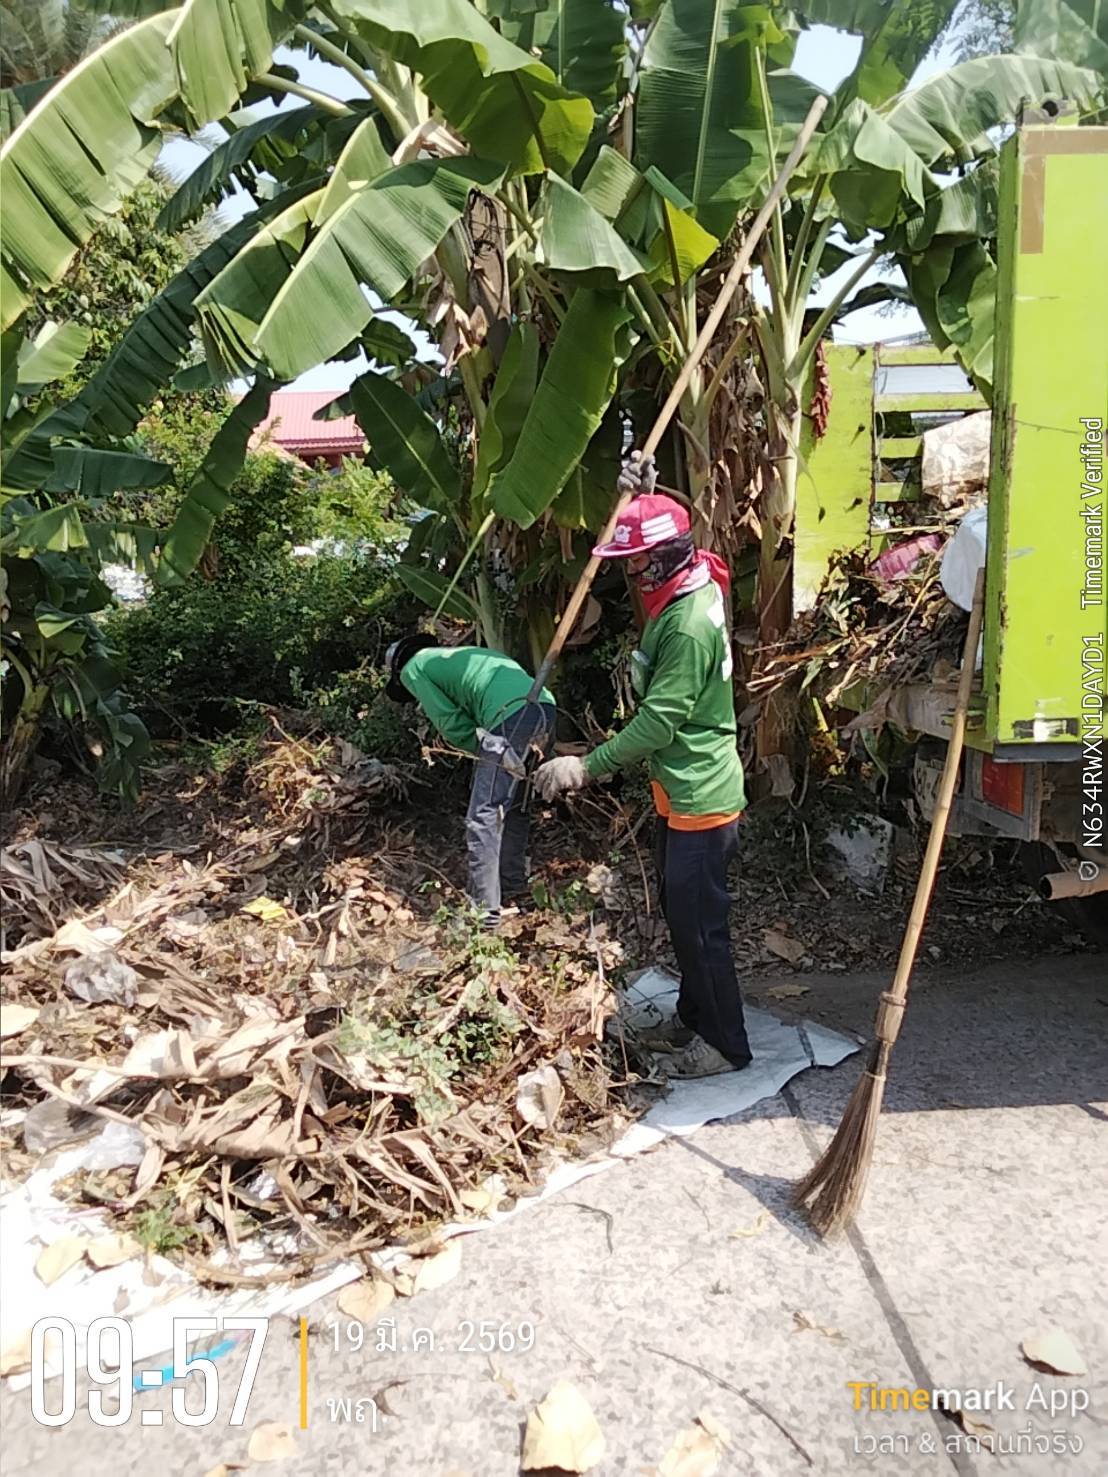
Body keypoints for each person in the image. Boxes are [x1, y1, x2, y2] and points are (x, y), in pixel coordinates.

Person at [533, 456, 751, 1078]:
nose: (632, 575)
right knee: (685, 920)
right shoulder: (693, 580)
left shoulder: (684, 627)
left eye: (637, 564)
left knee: (702, 928)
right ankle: (692, 1019)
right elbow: (668, 533)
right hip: (678, 792)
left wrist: (586, 767)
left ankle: (726, 1045)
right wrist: (644, 500)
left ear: (665, 560)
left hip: (701, 797)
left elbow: (659, 723)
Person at [386, 637, 556, 926]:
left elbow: (449, 721)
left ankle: (484, 912)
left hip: (510, 716)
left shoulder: (413, 668)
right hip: (546, 707)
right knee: (515, 805)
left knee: (484, 815)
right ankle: (512, 884)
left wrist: (480, 750)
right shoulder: (460, 655)